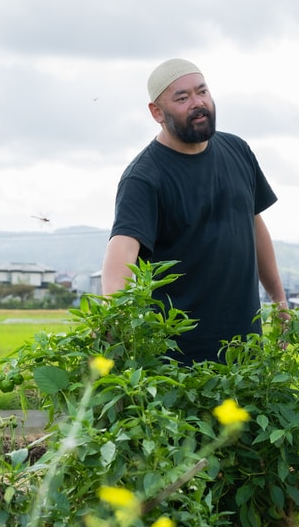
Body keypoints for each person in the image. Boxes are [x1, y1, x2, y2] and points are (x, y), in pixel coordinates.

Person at [101, 58, 287, 363]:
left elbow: (253, 225)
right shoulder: (144, 177)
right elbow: (120, 256)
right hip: (178, 362)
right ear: (157, 112)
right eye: (182, 98)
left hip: (246, 352)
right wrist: (113, 327)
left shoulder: (237, 150)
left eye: (202, 92)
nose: (198, 103)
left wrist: (279, 300)